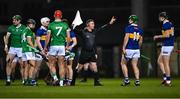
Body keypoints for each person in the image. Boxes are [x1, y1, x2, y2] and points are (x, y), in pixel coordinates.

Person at [71, 16, 116, 86]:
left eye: (93, 24)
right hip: (84, 53)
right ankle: (72, 82)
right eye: (92, 24)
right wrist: (73, 25)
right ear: (88, 25)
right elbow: (73, 30)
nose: (93, 25)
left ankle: (96, 82)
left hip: (92, 52)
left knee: (95, 67)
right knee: (79, 68)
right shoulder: (82, 32)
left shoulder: (94, 31)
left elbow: (102, 28)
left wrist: (109, 23)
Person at [45, 10, 71, 86]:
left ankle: (55, 78)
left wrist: (45, 46)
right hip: (62, 46)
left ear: (54, 15)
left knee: (51, 64)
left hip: (53, 45)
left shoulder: (51, 25)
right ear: (61, 16)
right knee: (61, 65)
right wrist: (67, 46)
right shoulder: (65, 25)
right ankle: (62, 83)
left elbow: (48, 37)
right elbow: (68, 37)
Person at [120, 15, 143, 86]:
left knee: (123, 63)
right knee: (135, 65)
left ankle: (126, 80)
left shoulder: (128, 28)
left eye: (130, 19)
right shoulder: (140, 29)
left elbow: (126, 38)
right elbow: (141, 41)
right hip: (136, 50)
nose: (129, 20)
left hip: (129, 49)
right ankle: (137, 81)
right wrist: (138, 48)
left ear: (132, 20)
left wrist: (123, 47)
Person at [4, 15, 26, 86]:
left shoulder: (24, 28)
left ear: (19, 21)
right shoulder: (11, 28)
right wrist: (6, 46)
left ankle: (23, 80)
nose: (13, 21)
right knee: (8, 62)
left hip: (21, 48)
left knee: (22, 65)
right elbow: (7, 37)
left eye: (15, 20)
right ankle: (8, 79)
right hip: (12, 48)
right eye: (13, 20)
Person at [153, 12, 174, 86]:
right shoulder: (169, 23)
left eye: (160, 17)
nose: (159, 18)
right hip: (167, 45)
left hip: (168, 45)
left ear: (163, 17)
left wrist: (157, 36)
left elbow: (167, 35)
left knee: (166, 64)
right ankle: (165, 77)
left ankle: (168, 81)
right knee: (159, 61)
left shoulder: (166, 24)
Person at [34, 17, 50, 84]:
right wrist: (41, 50)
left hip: (47, 51)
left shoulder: (48, 30)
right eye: (47, 21)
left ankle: (48, 79)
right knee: (37, 67)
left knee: (51, 67)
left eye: (49, 21)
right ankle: (33, 81)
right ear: (42, 23)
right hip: (40, 52)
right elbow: (37, 41)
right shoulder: (39, 30)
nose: (48, 22)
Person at [22, 19, 36, 86]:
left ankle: (25, 81)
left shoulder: (24, 30)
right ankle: (30, 81)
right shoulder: (29, 31)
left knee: (26, 66)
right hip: (29, 50)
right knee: (33, 65)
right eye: (33, 24)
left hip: (23, 50)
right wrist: (34, 48)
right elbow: (29, 41)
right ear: (29, 24)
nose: (34, 25)